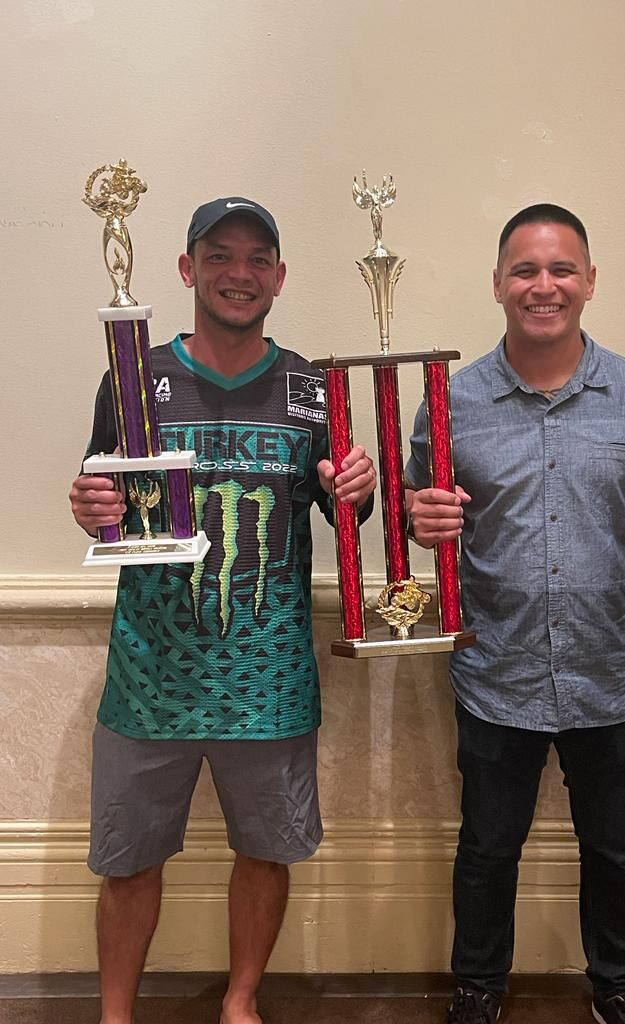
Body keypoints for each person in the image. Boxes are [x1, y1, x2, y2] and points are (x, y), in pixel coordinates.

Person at [405, 204, 625, 1024]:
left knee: (617, 852)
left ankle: (620, 990)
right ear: (498, 285)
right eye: (525, 270)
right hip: (496, 670)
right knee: (488, 850)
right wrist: (422, 519)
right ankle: (479, 989)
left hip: (610, 673)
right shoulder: (450, 404)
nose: (544, 285)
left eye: (562, 269)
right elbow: (425, 516)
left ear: (590, 282)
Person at [69, 197, 377, 1024]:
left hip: (267, 679)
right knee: (129, 860)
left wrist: (361, 487)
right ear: (187, 268)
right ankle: (114, 1013)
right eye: (220, 256)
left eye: (256, 259)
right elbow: (111, 505)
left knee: (265, 851)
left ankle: (241, 1001)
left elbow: (344, 518)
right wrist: (89, 504)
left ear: (278, 276)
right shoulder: (136, 380)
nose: (238, 275)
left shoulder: (313, 390)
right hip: (151, 676)